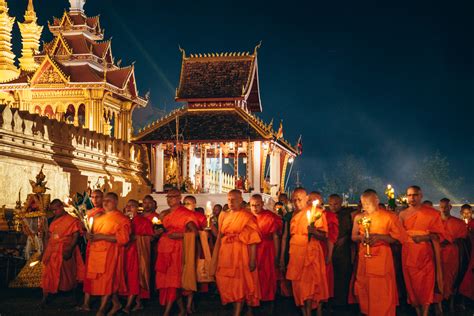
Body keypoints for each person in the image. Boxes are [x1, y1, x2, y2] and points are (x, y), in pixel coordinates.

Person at [352, 189, 407, 316]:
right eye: (363, 203)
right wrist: (362, 238)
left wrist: (380, 237)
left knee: (381, 292)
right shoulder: (359, 217)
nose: (365, 206)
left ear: (377, 201)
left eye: (368, 203)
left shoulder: (389, 216)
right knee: (364, 290)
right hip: (364, 259)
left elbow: (399, 239)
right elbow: (353, 237)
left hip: (382, 259)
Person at [399, 186, 447, 316]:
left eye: (415, 195)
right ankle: (418, 312)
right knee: (411, 285)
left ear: (421, 196)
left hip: (425, 254)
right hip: (408, 253)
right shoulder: (402, 214)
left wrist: (424, 237)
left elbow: (439, 235)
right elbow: (399, 235)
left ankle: (425, 313)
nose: (412, 198)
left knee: (426, 284)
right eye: (409, 195)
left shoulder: (431, 213)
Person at [213, 189, 261, 316]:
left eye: (234, 199)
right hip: (225, 253)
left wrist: (252, 260)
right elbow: (220, 236)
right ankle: (238, 308)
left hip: (240, 253)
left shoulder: (247, 217)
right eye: (229, 199)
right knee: (225, 281)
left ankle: (237, 312)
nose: (231, 202)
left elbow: (253, 240)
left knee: (239, 283)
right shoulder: (224, 215)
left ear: (241, 200)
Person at [284, 188, 328, 316]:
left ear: (307, 198)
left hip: (311, 253)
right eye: (294, 200)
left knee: (310, 285)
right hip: (296, 253)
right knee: (298, 286)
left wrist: (314, 232)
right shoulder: (293, 216)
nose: (297, 202)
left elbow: (324, 236)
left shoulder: (316, 213)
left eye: (300, 199)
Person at [85, 192, 131, 316]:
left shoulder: (122, 219)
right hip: (96, 253)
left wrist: (103, 237)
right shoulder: (97, 217)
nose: (105, 202)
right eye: (104, 200)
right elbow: (92, 234)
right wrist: (89, 235)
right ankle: (116, 304)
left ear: (116, 202)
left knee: (107, 281)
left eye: (108, 200)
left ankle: (102, 309)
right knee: (100, 282)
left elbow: (124, 239)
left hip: (111, 254)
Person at [155, 189, 198, 316]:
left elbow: (194, 233)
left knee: (174, 282)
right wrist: (158, 232)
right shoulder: (164, 214)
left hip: (177, 250)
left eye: (173, 197)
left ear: (179, 198)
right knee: (166, 281)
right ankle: (182, 309)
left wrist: (180, 235)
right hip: (163, 249)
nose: (169, 199)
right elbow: (160, 229)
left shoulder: (186, 214)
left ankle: (167, 312)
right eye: (168, 197)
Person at [41, 199, 84, 307]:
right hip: (52, 250)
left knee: (69, 274)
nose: (54, 212)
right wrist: (45, 250)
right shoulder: (52, 220)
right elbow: (48, 236)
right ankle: (46, 296)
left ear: (61, 207)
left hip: (65, 249)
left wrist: (70, 249)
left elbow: (75, 235)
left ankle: (73, 296)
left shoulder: (72, 220)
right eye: (52, 210)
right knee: (49, 274)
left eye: (55, 209)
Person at [121, 199, 154, 313]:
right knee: (127, 278)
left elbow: (150, 238)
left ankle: (128, 305)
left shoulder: (143, 221)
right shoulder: (122, 221)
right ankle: (138, 303)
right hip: (125, 253)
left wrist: (138, 237)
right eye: (127, 206)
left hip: (138, 253)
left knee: (135, 277)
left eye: (132, 206)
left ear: (137, 209)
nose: (129, 208)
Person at [250, 194, 282, 312]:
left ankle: (269, 300)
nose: (255, 208)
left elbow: (275, 237)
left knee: (267, 275)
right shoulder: (247, 217)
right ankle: (253, 301)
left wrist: (277, 255)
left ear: (262, 204)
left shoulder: (269, 217)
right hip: (252, 250)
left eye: (258, 205)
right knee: (254, 276)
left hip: (267, 249)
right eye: (252, 205)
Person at [435, 199, 468, 312]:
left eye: (446, 207)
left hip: (452, 254)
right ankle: (438, 305)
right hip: (437, 254)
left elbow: (463, 239)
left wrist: (451, 241)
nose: (444, 209)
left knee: (452, 278)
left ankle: (451, 303)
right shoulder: (435, 222)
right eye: (442, 207)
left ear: (451, 207)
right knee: (438, 278)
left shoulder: (458, 223)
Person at [308, 192, 338, 316]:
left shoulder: (328, 216)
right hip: (307, 253)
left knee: (321, 281)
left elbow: (330, 238)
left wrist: (329, 256)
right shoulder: (305, 214)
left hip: (322, 251)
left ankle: (320, 309)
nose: (313, 203)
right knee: (308, 281)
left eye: (316, 201)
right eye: (310, 200)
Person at [78, 189, 105, 311]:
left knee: (100, 274)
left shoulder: (105, 212)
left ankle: (105, 300)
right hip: (90, 246)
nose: (95, 200)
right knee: (88, 274)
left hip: (101, 246)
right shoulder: (89, 212)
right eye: (92, 197)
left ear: (103, 198)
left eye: (98, 197)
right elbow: (84, 228)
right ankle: (86, 303)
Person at [327, 193, 353, 309]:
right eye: (331, 204)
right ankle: (330, 300)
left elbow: (352, 231)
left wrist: (345, 238)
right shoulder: (325, 215)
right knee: (330, 276)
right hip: (329, 249)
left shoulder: (346, 215)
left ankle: (342, 301)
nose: (333, 207)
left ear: (341, 203)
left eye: (336, 204)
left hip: (343, 249)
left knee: (343, 275)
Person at [459, 204, 474, 301]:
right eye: (464, 213)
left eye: (468, 213)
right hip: (462, 252)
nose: (466, 215)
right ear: (461, 213)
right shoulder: (460, 223)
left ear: (472, 213)